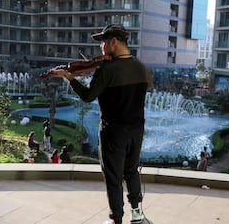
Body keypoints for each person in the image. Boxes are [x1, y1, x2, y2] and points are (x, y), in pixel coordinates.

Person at [44, 23, 152, 224]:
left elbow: (87, 96)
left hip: (113, 131)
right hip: (136, 130)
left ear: (113, 42)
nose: (101, 47)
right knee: (131, 170)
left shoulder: (107, 69)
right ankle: (137, 213)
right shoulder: (141, 67)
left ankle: (116, 220)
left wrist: (69, 77)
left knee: (113, 175)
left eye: (103, 42)